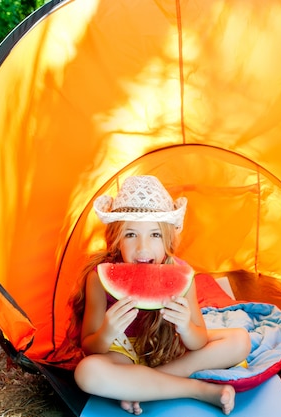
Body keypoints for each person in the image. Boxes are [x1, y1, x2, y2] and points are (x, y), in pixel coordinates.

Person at [71, 175, 251, 415]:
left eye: (154, 234)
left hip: (165, 351)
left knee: (240, 340)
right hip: (120, 354)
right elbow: (90, 346)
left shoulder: (181, 274)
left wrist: (186, 327)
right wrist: (107, 332)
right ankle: (197, 389)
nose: (143, 247)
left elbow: (199, 340)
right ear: (115, 239)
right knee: (87, 372)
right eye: (130, 234)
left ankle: (140, 386)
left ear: (168, 239)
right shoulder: (98, 277)